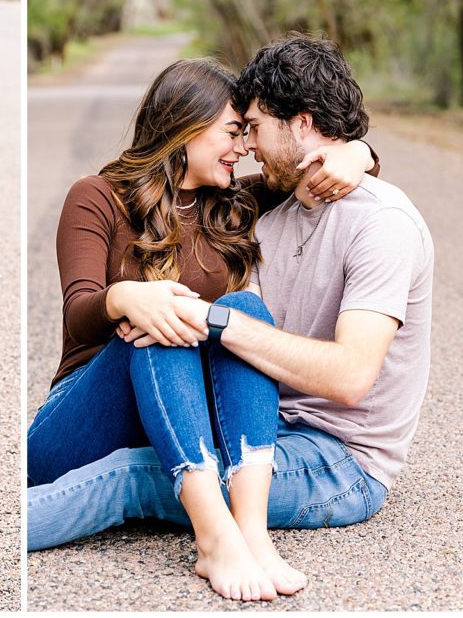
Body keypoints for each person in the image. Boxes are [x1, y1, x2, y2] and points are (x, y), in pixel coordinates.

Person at [27, 35, 433, 603]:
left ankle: (243, 532)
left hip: (170, 416)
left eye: (251, 129)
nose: (245, 146)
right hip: (83, 412)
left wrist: (357, 150)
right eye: (233, 130)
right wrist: (126, 297)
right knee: (166, 319)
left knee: (228, 313)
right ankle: (217, 535)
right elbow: (79, 313)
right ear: (186, 128)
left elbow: (312, 161)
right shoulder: (96, 196)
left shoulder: (234, 205)